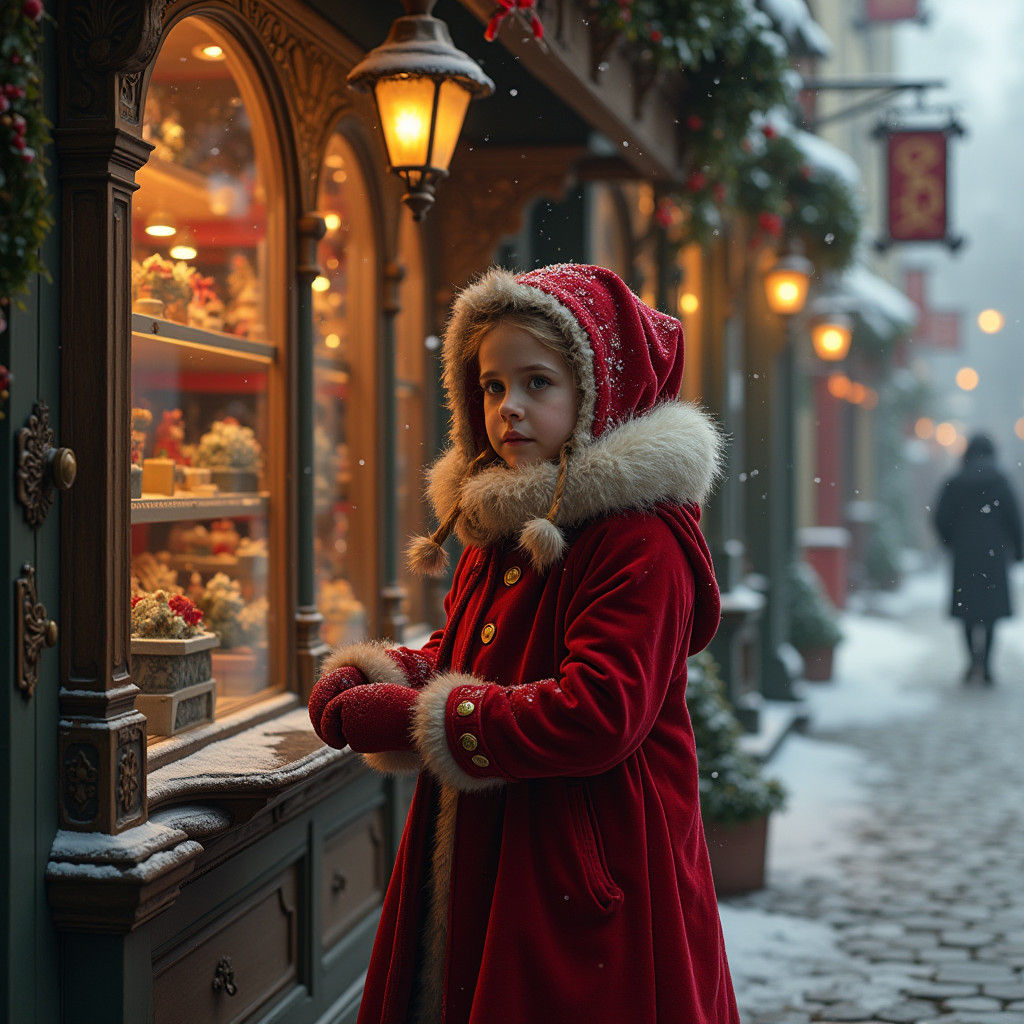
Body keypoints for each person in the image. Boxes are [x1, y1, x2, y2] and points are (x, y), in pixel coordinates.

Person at [308, 264, 738, 1024]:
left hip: (585, 862)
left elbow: (598, 711)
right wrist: (382, 673)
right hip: (490, 846)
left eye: (538, 382)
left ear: (598, 389)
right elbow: (475, 654)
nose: (510, 408)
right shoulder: (504, 514)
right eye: (492, 386)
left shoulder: (637, 536)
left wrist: (418, 719)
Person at [934, 432, 1023, 683]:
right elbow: (1015, 519)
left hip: (964, 556)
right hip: (994, 556)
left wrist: (951, 541)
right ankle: (987, 665)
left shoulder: (954, 482)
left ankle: (971, 661)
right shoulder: (1001, 482)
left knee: (967, 612)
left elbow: (940, 518)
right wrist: (1017, 549)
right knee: (991, 613)